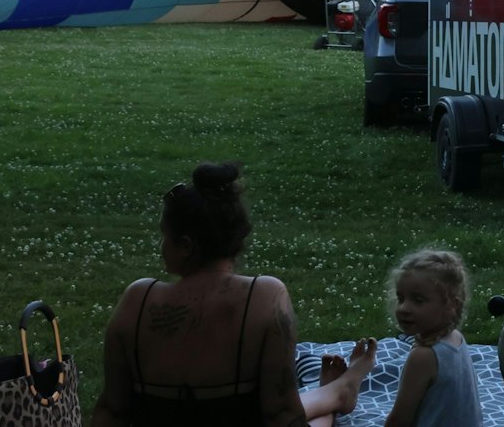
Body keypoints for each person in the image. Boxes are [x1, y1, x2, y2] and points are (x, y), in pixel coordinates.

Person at [91, 162, 377, 427]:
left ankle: (337, 392)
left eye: (164, 235)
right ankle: (338, 392)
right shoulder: (263, 297)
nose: (161, 245)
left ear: (186, 246)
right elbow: (281, 413)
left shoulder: (138, 300)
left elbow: (112, 410)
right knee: (314, 418)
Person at [383, 249, 481, 427]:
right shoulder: (456, 338)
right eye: (401, 298)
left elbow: (399, 421)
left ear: (451, 305)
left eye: (418, 300)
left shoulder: (424, 356)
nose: (404, 308)